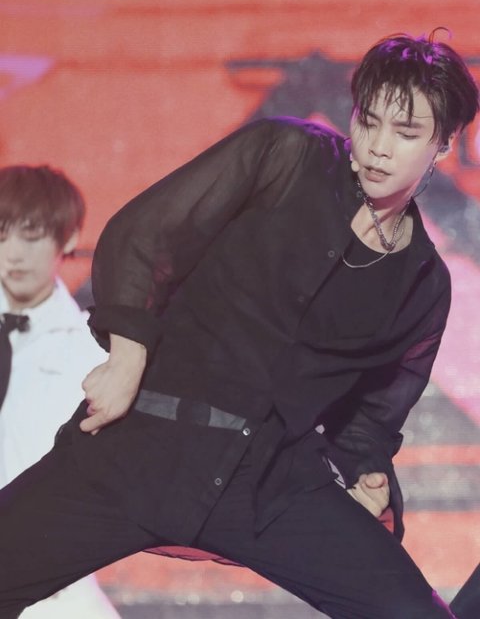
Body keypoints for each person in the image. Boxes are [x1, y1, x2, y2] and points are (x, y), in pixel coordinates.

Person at [0, 31, 478, 619]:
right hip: (141, 443)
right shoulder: (286, 156)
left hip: (268, 485)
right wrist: (127, 355)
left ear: (442, 143)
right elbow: (144, 235)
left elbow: (370, 419)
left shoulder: (422, 282)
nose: (379, 148)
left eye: (405, 133)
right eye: (368, 121)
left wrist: (370, 472)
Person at [0, 166, 120, 619]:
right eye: (1, 235)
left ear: (68, 238)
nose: (14, 254)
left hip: (48, 584)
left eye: (31, 237)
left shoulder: (93, 352)